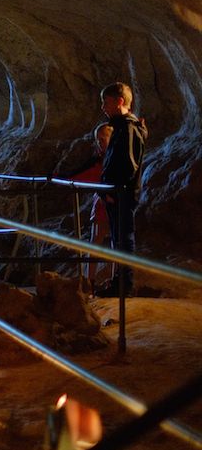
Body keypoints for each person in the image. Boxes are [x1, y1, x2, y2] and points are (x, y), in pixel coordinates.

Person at [97, 82, 147, 296]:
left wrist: (113, 189)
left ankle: (124, 285)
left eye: (106, 102)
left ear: (119, 101)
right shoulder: (122, 127)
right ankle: (120, 282)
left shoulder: (127, 128)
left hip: (121, 193)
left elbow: (126, 165)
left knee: (123, 238)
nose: (103, 107)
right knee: (120, 238)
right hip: (118, 192)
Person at [69, 122, 114, 287]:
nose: (100, 142)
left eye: (103, 139)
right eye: (98, 140)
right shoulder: (100, 159)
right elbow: (84, 173)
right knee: (96, 241)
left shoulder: (115, 158)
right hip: (103, 205)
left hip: (113, 204)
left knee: (113, 244)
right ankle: (90, 282)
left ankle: (112, 280)